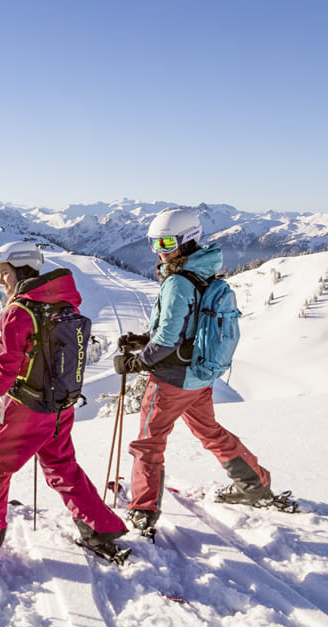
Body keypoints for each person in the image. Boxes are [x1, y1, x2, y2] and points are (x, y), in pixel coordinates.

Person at [0, 242, 129, 563]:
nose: (1, 281)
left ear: (22, 271)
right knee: (63, 468)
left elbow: (3, 375)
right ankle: (99, 529)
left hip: (24, 410)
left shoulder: (19, 312)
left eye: (4, 273)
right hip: (60, 408)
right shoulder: (64, 304)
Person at [113, 209, 274, 533]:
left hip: (171, 380)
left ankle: (143, 510)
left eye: (167, 241)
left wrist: (139, 360)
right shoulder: (202, 273)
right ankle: (254, 484)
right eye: (153, 242)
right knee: (209, 431)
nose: (159, 248)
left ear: (186, 241)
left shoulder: (177, 281)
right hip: (199, 375)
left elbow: (170, 337)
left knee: (149, 442)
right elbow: (187, 327)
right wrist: (144, 340)